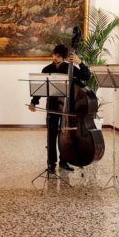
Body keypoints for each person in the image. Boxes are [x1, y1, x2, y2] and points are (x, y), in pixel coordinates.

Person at [29, 44, 91, 173]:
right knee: (51, 136)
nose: (55, 58)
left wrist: (81, 63)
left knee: (66, 136)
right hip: (52, 106)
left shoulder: (69, 68)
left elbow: (86, 77)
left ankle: (64, 161)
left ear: (63, 57)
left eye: (58, 56)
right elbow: (40, 89)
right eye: (54, 55)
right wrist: (34, 102)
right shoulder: (47, 69)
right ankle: (51, 163)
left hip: (68, 108)